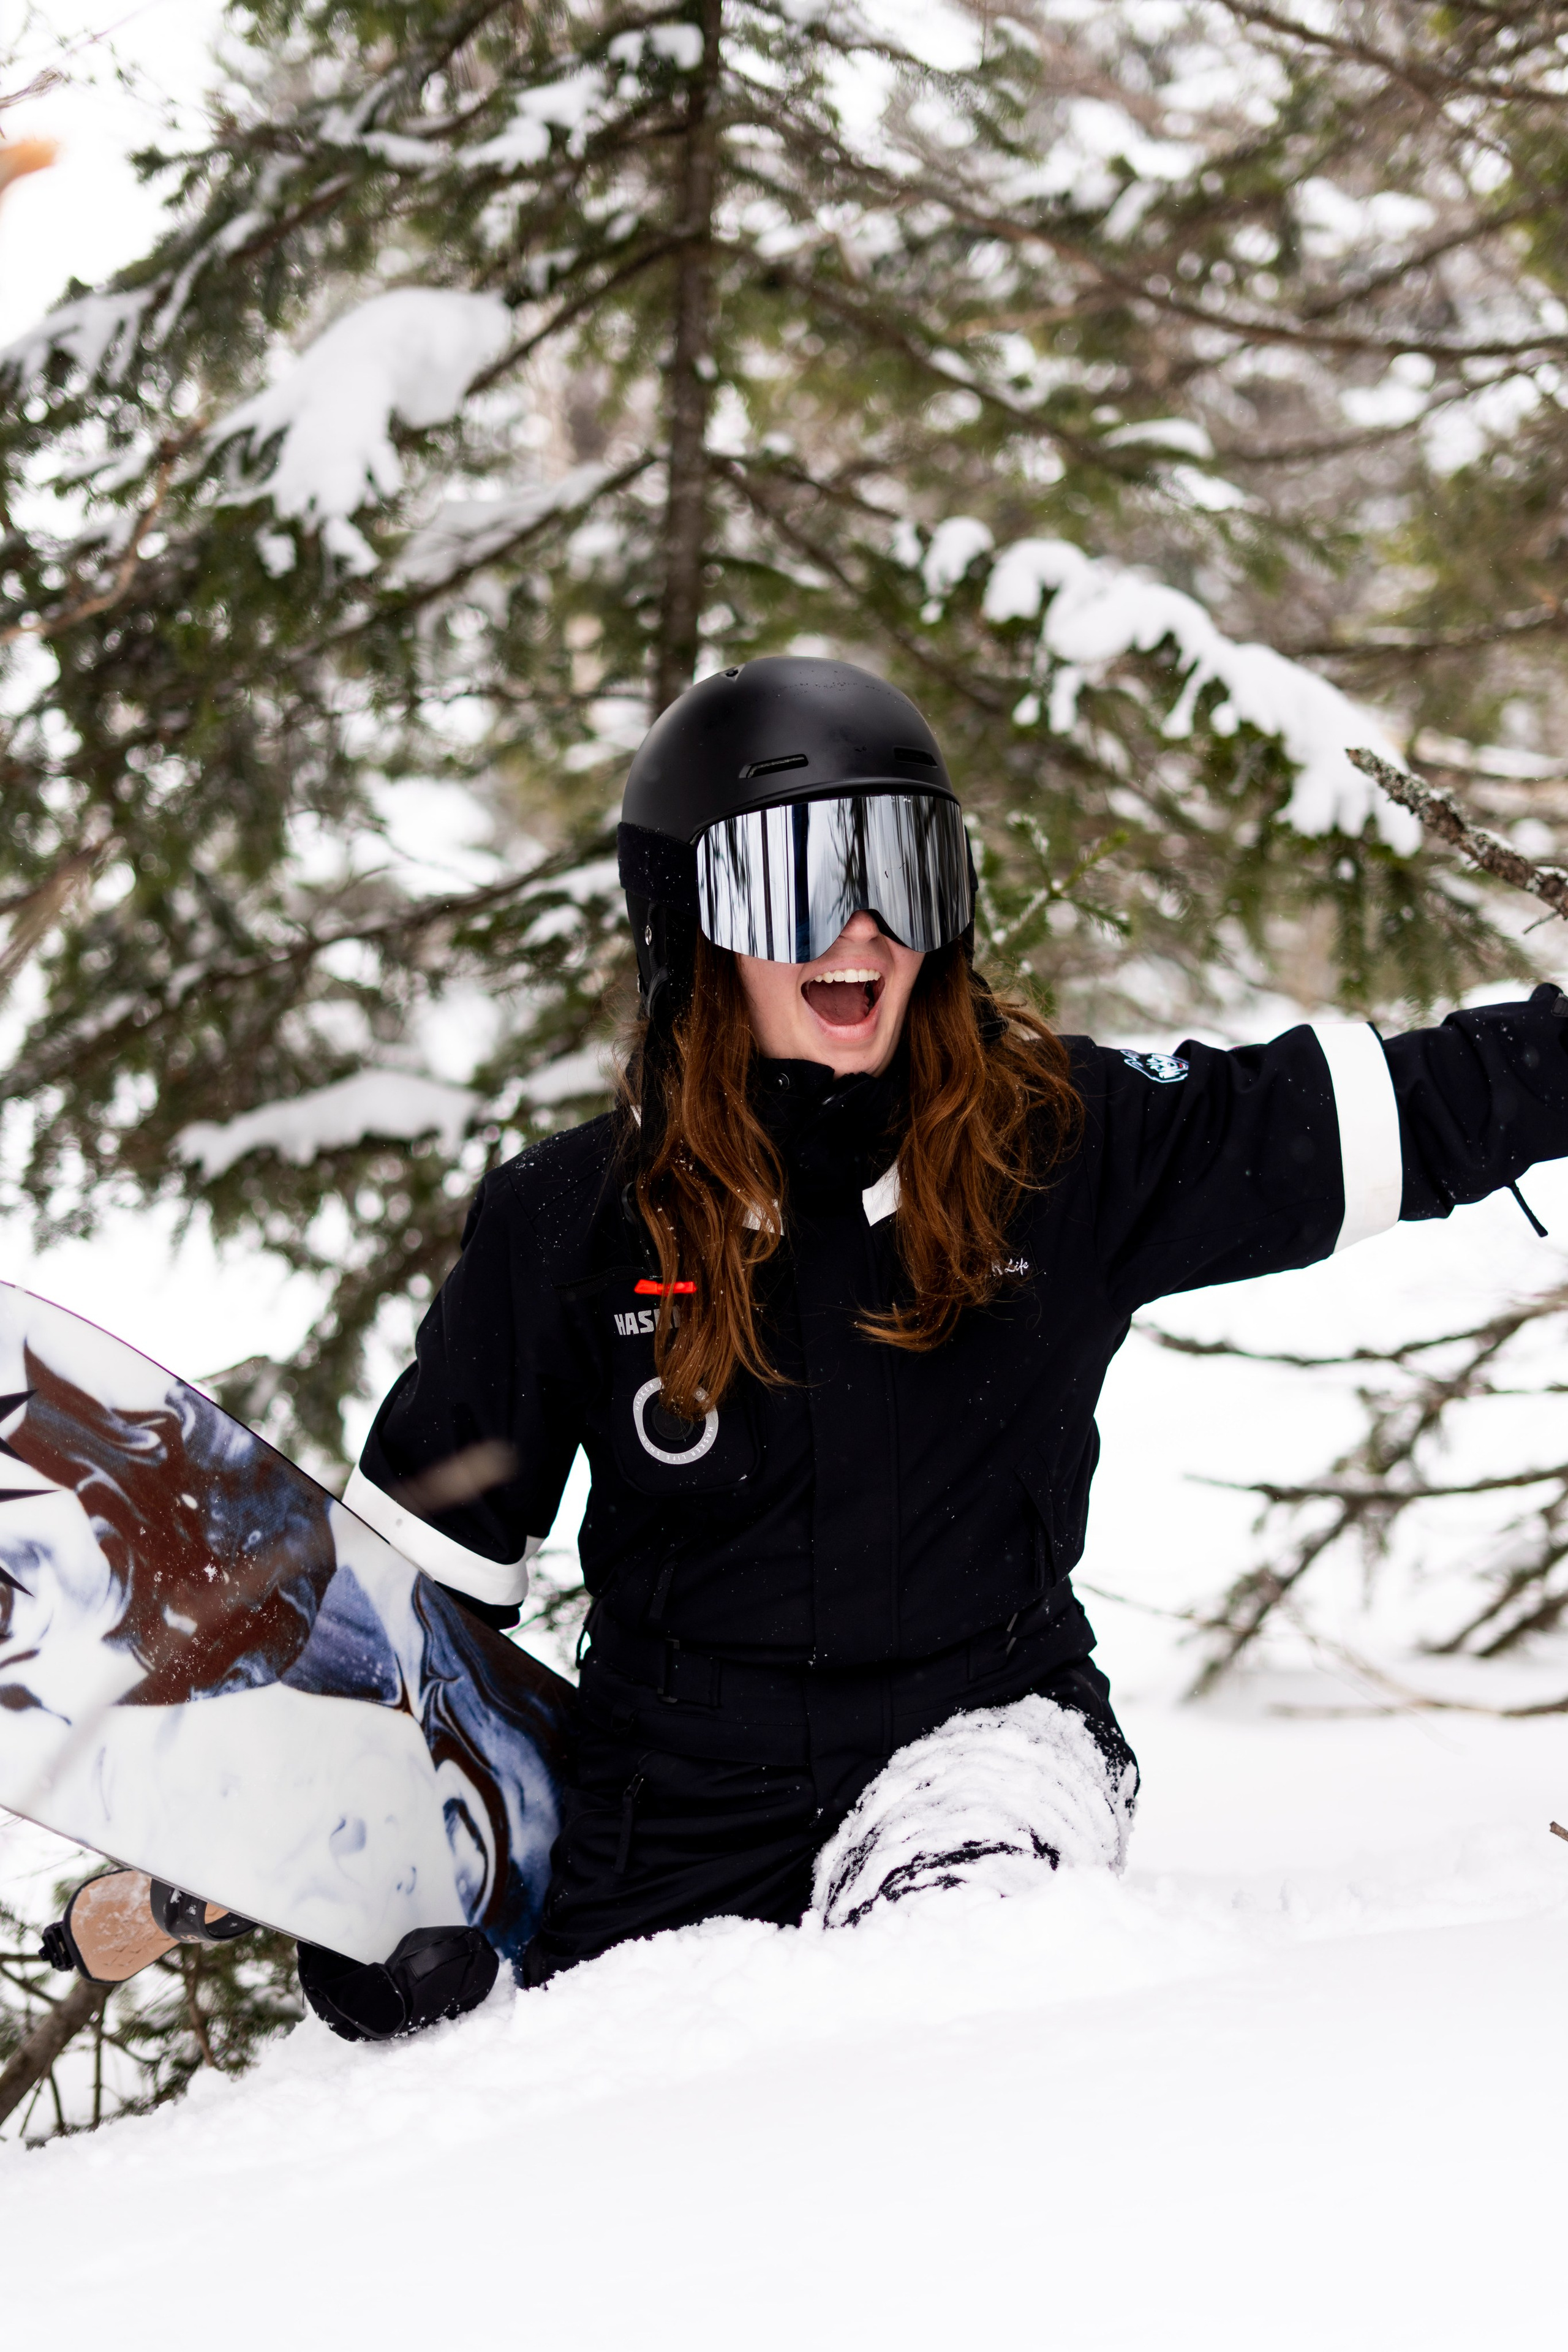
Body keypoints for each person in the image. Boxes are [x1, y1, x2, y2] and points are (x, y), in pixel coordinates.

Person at [320, 654, 1568, 2026]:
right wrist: (371, 1884)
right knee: (589, 2102)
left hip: (983, 1738)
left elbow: (1400, 1111)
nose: (858, 927)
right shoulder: (572, 1223)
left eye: (900, 870)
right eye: (798, 877)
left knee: (937, 1997)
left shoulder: (1062, 1144)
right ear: (691, 921)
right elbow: (414, 1602)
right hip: (665, 1799)